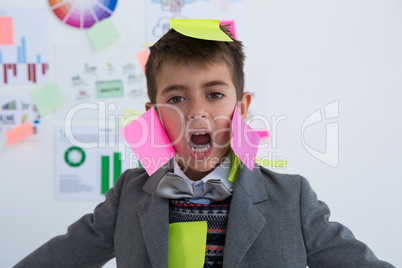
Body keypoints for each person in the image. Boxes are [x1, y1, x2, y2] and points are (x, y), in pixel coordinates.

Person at [15, 21, 394, 268]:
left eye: (214, 94)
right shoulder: (127, 195)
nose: (197, 112)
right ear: (154, 115)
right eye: (177, 99)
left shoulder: (292, 197)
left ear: (241, 107)